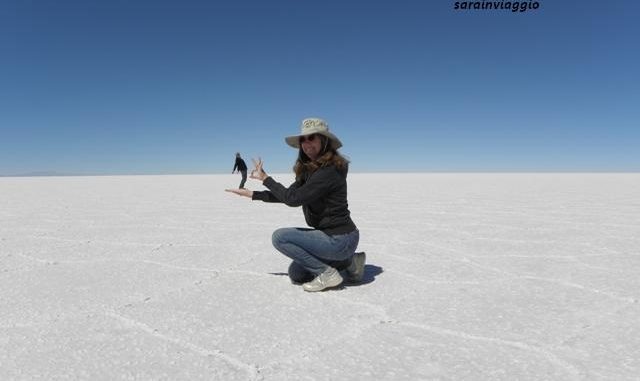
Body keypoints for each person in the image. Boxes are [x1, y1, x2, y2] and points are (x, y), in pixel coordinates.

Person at [225, 118, 366, 292]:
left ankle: (328, 272)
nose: (307, 144)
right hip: (328, 237)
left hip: (340, 238)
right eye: (303, 140)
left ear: (324, 140)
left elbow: (293, 200)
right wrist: (253, 194)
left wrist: (266, 179)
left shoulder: (329, 171)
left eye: (312, 137)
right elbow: (289, 195)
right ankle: (350, 262)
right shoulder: (309, 171)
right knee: (297, 274)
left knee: (280, 237)